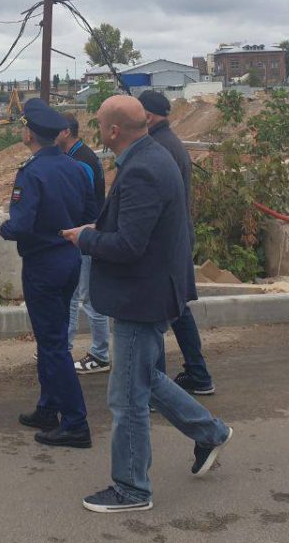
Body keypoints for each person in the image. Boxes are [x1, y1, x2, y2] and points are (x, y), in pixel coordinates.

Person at [62, 95, 232, 513]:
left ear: (113, 130)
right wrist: (96, 227)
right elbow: (137, 228)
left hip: (142, 296)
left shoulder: (142, 169)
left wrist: (86, 239)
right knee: (144, 378)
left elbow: (129, 245)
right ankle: (210, 432)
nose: (97, 128)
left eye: (99, 122)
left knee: (126, 398)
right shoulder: (150, 156)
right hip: (150, 290)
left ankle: (132, 489)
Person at [0, 98, 96, 448]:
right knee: (50, 338)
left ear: (30, 134)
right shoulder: (76, 168)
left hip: (43, 265)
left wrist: (4, 229)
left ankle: (75, 422)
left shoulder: (31, 173)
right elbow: (88, 213)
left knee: (53, 345)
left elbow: (21, 225)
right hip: (69, 259)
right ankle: (48, 407)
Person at [137, 90, 215, 397]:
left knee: (157, 308)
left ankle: (155, 387)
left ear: (147, 116)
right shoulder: (170, 143)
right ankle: (198, 374)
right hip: (177, 236)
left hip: (166, 240)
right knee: (177, 308)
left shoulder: (158, 148)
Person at [59, 113, 111, 375]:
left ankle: (100, 354)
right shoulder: (77, 156)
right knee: (71, 295)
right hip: (80, 235)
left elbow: (83, 201)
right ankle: (63, 347)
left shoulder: (82, 161)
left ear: (66, 132)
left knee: (89, 297)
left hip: (87, 236)